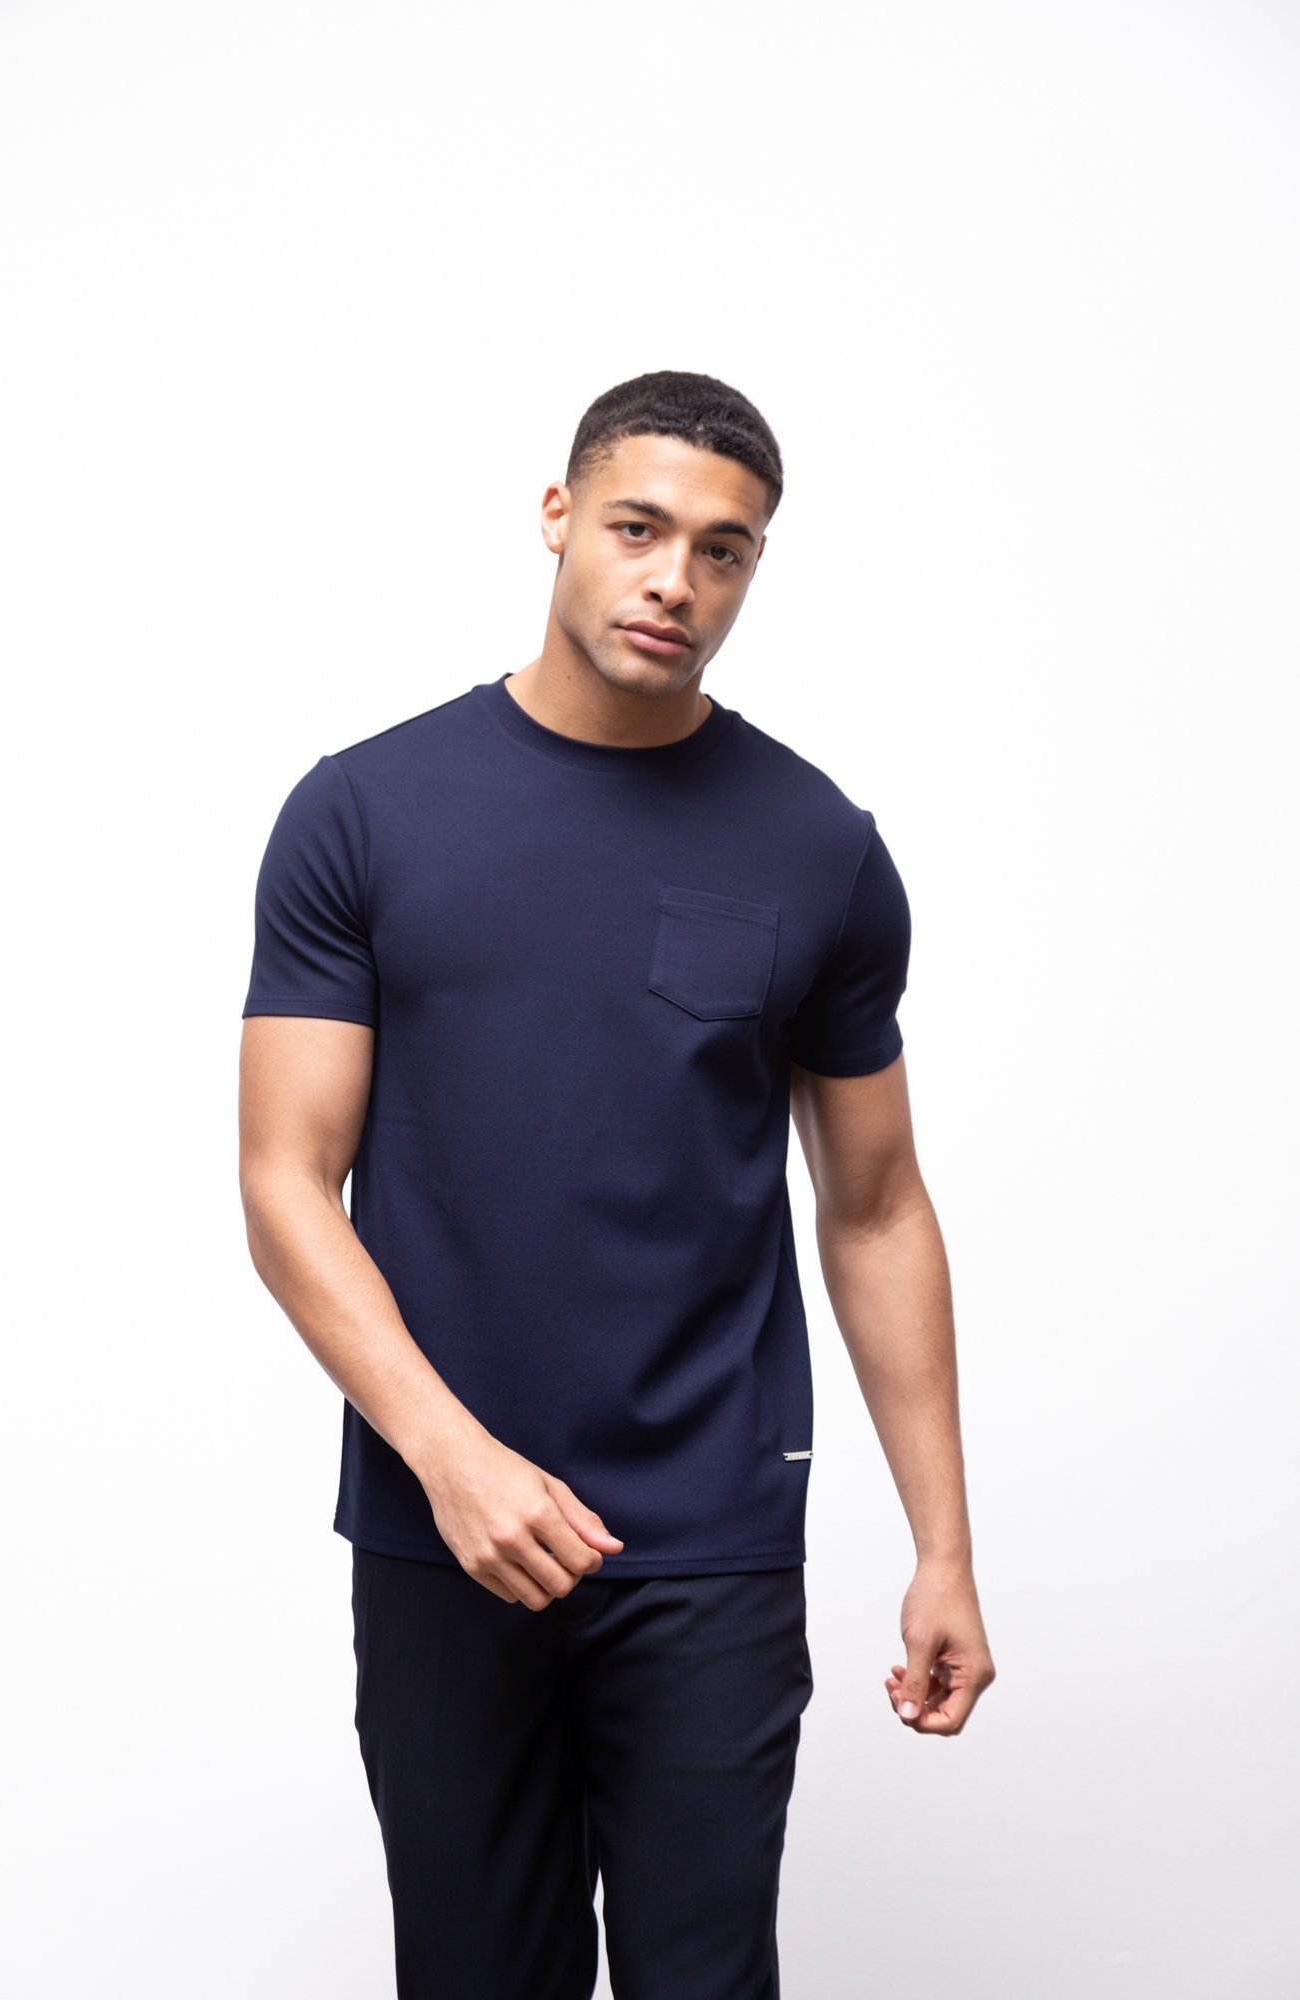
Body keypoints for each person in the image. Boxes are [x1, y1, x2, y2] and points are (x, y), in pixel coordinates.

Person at [238, 369, 995, 1998]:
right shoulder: (364, 811)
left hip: (710, 1535)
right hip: (443, 1532)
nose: (675, 580)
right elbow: (286, 1183)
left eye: (724, 550)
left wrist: (942, 1545)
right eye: (640, 529)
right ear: (557, 517)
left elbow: (873, 1206)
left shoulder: (817, 846)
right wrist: (451, 1462)